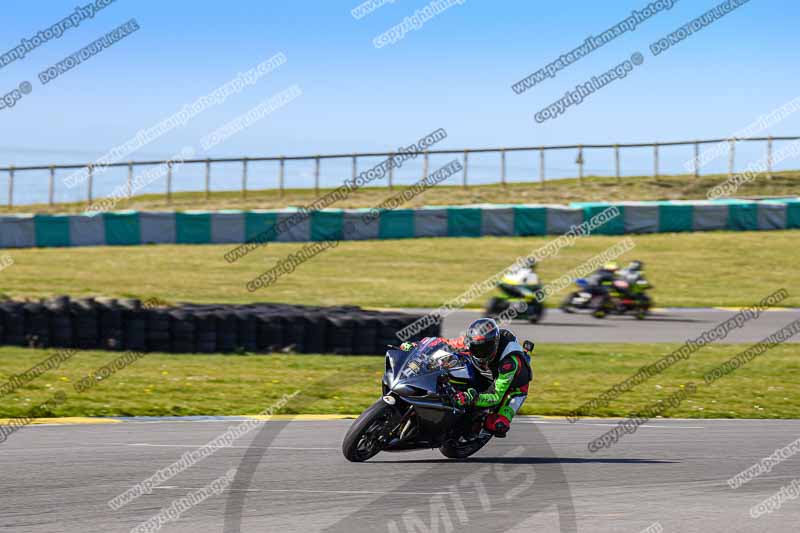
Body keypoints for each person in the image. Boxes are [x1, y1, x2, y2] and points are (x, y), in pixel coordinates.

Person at [400, 318, 533, 437]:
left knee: (497, 424)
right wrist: (417, 346)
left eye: (483, 349)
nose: (478, 352)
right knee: (448, 363)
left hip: (513, 387)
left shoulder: (508, 363)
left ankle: (475, 429)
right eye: (475, 348)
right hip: (485, 370)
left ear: (495, 345)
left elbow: (495, 396)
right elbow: (444, 343)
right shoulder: (471, 340)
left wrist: (471, 398)